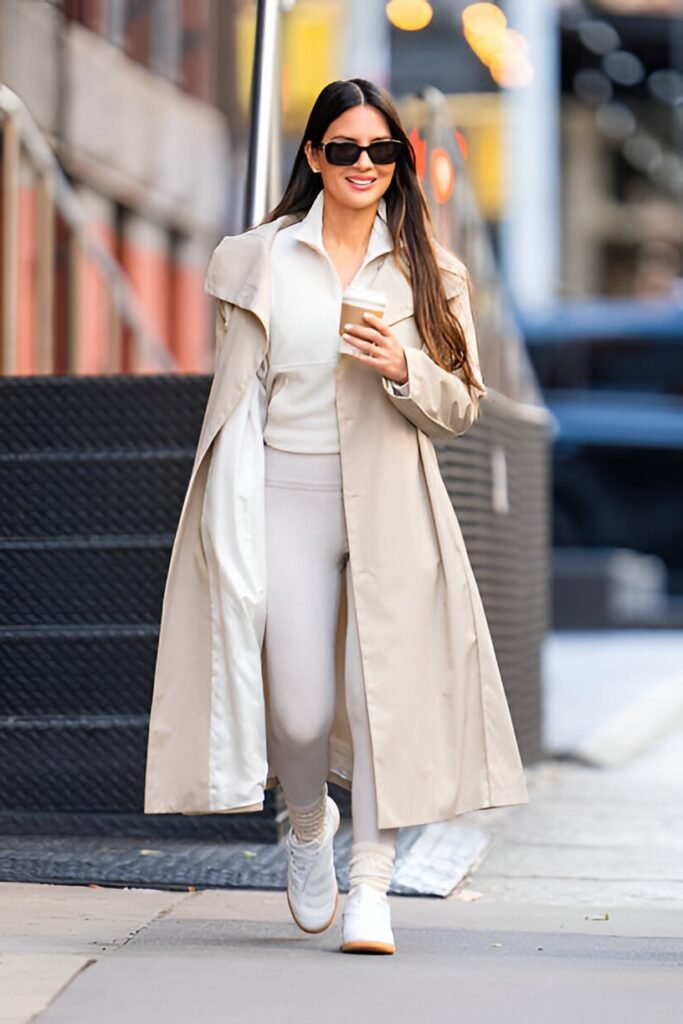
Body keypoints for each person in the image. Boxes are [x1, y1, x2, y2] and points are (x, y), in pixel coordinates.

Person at [144, 78, 529, 956]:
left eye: (381, 150)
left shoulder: (431, 266)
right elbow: (237, 389)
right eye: (345, 148)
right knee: (302, 710)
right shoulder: (257, 258)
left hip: (394, 503)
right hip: (284, 491)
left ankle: (371, 890)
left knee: (381, 696)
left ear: (401, 161)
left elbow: (461, 405)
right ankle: (308, 823)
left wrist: (402, 363)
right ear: (314, 154)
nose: (364, 164)